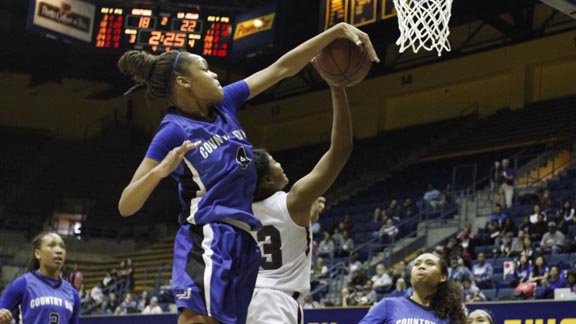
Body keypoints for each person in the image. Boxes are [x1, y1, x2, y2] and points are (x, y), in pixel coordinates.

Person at [116, 22, 378, 324]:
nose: (215, 74)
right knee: (196, 320)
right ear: (184, 82)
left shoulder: (225, 104)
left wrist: (335, 33)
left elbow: (282, 68)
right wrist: (160, 171)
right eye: (205, 69)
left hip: (244, 240)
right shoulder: (173, 131)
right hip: (209, 233)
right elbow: (127, 204)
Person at [246, 80, 355, 323]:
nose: (280, 164)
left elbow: (277, 228)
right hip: (276, 304)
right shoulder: (294, 201)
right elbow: (341, 148)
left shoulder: (238, 210)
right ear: (266, 179)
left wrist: (305, 218)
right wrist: (337, 89)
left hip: (241, 301)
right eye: (274, 162)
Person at [359, 253, 466, 324]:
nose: (421, 266)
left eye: (430, 263)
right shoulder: (388, 305)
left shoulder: (449, 316)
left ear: (443, 277)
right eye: (416, 264)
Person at [0, 232, 80, 324]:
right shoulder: (23, 284)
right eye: (51, 245)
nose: (59, 251)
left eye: (62, 247)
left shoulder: (72, 293)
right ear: (38, 253)